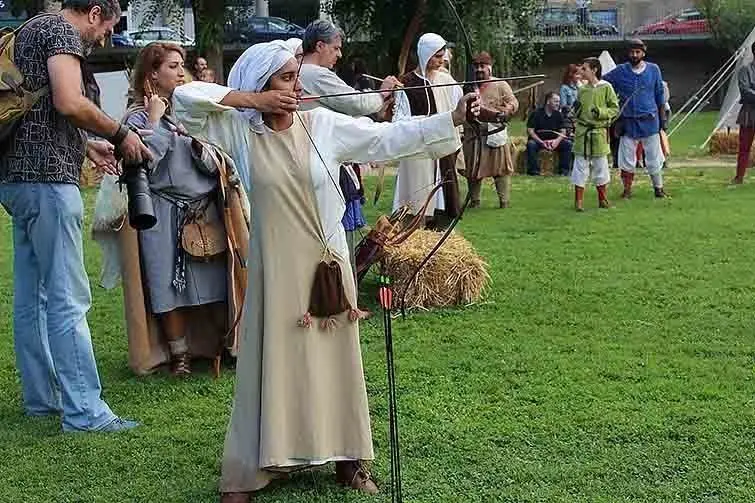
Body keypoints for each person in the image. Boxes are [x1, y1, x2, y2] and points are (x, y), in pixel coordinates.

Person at [172, 40, 478, 502]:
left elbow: (385, 139)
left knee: (336, 361)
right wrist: (254, 102)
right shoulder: (239, 131)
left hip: (327, 264)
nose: (296, 88)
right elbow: (185, 98)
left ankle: (349, 460)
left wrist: (453, 119)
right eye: (286, 79)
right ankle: (260, 464)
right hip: (277, 268)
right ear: (261, 85)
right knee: (277, 360)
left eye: (297, 77)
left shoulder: (323, 125)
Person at [0, 0, 150, 433]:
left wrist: (87, 145)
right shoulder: (62, 33)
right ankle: (86, 412)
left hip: (15, 181)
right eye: (107, 27)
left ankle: (41, 400)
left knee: (33, 297)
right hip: (48, 182)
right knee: (67, 297)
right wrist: (120, 134)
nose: (104, 37)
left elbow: (37, 108)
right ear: (94, 11)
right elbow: (68, 100)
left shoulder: (29, 29)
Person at [97, 42, 247, 376]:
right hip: (161, 213)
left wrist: (199, 148)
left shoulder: (194, 110)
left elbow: (221, 160)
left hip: (204, 209)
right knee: (166, 285)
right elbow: (140, 165)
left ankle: (219, 345)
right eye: (172, 66)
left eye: (182, 65)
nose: (181, 72)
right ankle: (178, 354)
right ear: (151, 74)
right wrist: (154, 121)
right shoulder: (135, 118)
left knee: (214, 282)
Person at [298, 20, 400, 283]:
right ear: (319, 45)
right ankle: (336, 289)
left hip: (313, 158)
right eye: (335, 48)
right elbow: (356, 102)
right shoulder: (313, 73)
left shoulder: (305, 72)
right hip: (318, 161)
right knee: (332, 230)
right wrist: (383, 92)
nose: (339, 54)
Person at [392, 33, 464, 229]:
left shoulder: (447, 81)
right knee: (417, 201)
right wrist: (426, 123)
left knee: (444, 202)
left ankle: (440, 238)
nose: (442, 61)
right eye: (437, 56)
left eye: (443, 56)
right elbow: (398, 121)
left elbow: (459, 109)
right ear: (425, 55)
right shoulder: (406, 83)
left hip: (442, 150)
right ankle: (414, 231)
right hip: (419, 152)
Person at [603, 39, 668, 199]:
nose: (634, 55)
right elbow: (603, 83)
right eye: (632, 52)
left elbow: (659, 95)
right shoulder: (619, 71)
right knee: (626, 158)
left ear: (643, 53)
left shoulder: (654, 70)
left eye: (638, 52)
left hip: (650, 120)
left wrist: (662, 120)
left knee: (654, 157)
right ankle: (627, 190)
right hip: (628, 122)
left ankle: (658, 189)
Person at [463, 51, 519, 208]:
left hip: (494, 132)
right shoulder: (468, 86)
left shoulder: (501, 85)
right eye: (476, 67)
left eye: (483, 66)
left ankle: (504, 201)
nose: (479, 69)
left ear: (490, 68)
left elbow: (513, 102)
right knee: (473, 171)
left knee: (500, 171)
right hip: (474, 134)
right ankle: (474, 201)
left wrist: (507, 110)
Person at [571, 57, 619, 211]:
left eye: (585, 69)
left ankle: (602, 199)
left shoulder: (606, 87)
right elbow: (577, 110)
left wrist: (600, 112)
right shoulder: (582, 89)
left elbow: (614, 109)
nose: (581, 71)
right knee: (580, 167)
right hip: (583, 132)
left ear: (594, 70)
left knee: (601, 167)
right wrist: (574, 111)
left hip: (598, 132)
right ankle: (578, 202)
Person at [526, 91, 573, 176]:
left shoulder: (559, 115)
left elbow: (563, 131)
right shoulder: (536, 113)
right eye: (555, 101)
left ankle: (564, 171)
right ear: (548, 101)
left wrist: (556, 141)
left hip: (554, 141)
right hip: (539, 141)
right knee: (531, 144)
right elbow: (530, 131)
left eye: (559, 101)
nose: (558, 104)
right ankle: (534, 171)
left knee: (568, 144)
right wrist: (541, 142)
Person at [733, 41, 755, 184]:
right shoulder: (745, 70)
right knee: (744, 147)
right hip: (749, 113)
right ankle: (739, 176)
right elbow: (745, 91)